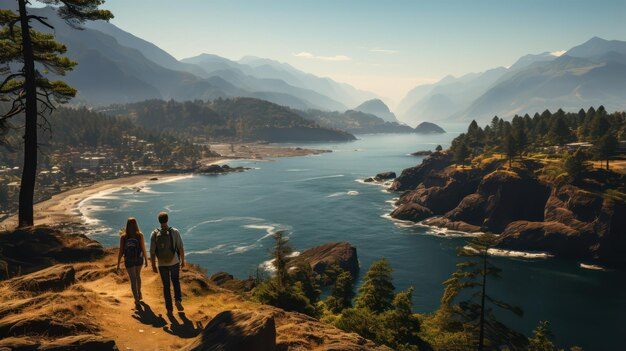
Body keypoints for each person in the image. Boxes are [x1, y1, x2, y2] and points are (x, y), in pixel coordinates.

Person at [150, 212, 185, 314]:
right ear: (167, 219)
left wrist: (153, 265)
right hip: (174, 262)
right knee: (175, 281)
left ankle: (169, 309)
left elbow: (152, 251)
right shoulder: (174, 231)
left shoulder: (155, 233)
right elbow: (180, 248)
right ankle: (178, 300)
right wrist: (182, 261)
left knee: (166, 286)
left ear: (159, 220)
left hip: (162, 264)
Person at [116, 218, 148, 310]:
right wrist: (146, 259)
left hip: (128, 260)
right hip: (139, 259)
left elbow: (121, 251)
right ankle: (139, 292)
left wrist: (118, 264)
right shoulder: (140, 235)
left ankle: (136, 300)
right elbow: (143, 248)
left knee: (133, 279)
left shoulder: (123, 237)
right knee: (138, 276)